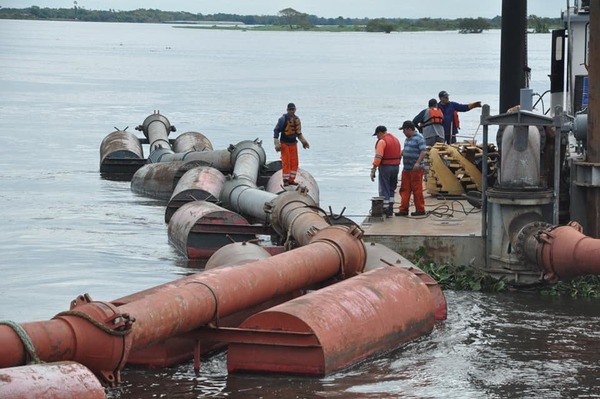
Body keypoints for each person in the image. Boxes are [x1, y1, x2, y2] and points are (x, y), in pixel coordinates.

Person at [396, 120, 427, 217]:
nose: (403, 132)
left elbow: (423, 151)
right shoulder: (408, 139)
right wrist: (402, 152)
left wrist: (418, 163)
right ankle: (403, 209)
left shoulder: (419, 138)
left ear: (409, 129)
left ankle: (420, 209)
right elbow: (408, 148)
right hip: (407, 169)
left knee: (417, 189)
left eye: (404, 130)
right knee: (404, 189)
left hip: (416, 169)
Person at [273, 102, 309, 186]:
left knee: (294, 162)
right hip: (285, 143)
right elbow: (276, 130)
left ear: (295, 110)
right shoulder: (283, 119)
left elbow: (298, 133)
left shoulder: (297, 120)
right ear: (287, 110)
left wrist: (304, 141)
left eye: (293, 109)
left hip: (293, 143)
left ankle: (291, 180)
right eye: (290, 110)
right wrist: (276, 143)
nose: (292, 111)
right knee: (286, 162)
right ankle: (285, 180)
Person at [370, 125, 401, 218]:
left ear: (380, 132)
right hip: (396, 167)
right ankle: (390, 209)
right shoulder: (396, 140)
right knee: (391, 188)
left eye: (377, 135)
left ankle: (385, 209)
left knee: (384, 188)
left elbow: (379, 156)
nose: (377, 137)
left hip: (386, 167)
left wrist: (374, 168)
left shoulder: (382, 141)